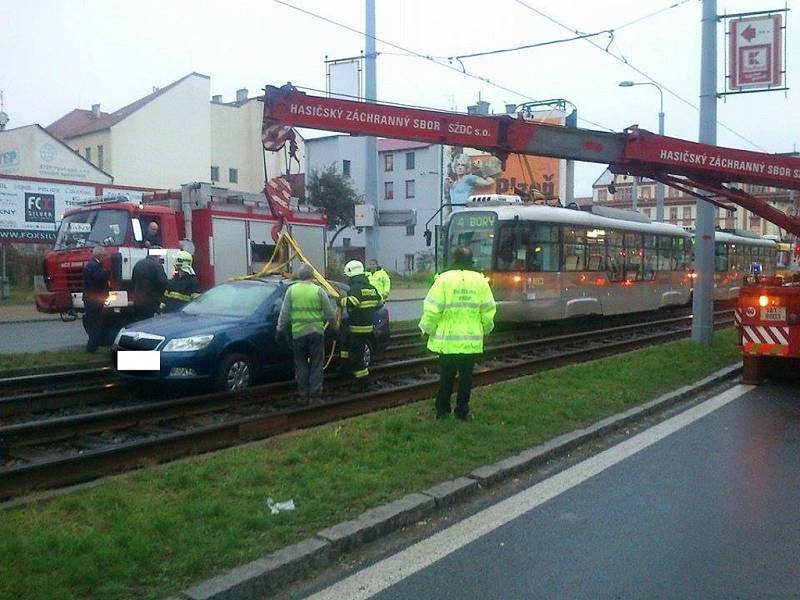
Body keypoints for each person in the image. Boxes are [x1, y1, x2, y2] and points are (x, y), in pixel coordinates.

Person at [418, 246, 496, 420]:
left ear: (453, 258)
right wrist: (487, 329)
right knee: (466, 379)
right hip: (470, 341)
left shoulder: (443, 279)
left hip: (447, 341)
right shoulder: (480, 281)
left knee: (446, 377)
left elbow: (432, 308)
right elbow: (488, 309)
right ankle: (462, 411)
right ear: (471, 260)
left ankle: (442, 410)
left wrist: (426, 328)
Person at [276, 264, 338, 404]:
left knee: (301, 364)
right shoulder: (318, 290)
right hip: (316, 332)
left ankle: (303, 395)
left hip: (298, 334)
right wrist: (334, 328)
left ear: (299, 275)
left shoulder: (292, 290)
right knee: (317, 364)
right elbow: (329, 313)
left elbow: (284, 313)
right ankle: (314, 396)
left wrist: (279, 329)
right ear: (312, 276)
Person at [341, 259, 382, 392]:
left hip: (357, 327)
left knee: (356, 356)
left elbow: (352, 302)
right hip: (367, 327)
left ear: (352, 275)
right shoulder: (371, 288)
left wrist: (340, 301)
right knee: (346, 346)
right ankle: (345, 369)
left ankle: (362, 383)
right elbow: (380, 303)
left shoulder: (355, 288)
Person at [82, 245, 110, 353]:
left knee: (94, 323)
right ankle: (92, 347)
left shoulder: (91, 265)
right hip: (94, 300)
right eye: (104, 255)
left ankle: (93, 346)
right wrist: (109, 272)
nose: (105, 257)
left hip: (90, 299)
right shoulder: (94, 266)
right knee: (95, 324)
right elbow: (100, 276)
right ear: (100, 255)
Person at [131, 251, 168, 321]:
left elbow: (133, 281)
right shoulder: (157, 266)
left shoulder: (138, 264)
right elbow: (163, 284)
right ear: (156, 256)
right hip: (152, 302)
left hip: (138, 301)